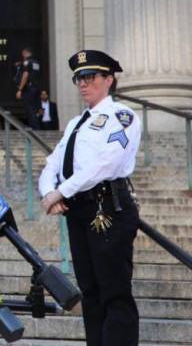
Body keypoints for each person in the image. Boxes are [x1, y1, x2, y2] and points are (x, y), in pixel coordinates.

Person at [38, 50, 141, 346]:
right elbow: (52, 164)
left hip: (108, 205)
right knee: (90, 292)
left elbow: (105, 164)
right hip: (79, 210)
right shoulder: (75, 123)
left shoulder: (122, 117)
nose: (82, 84)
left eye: (89, 77)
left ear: (109, 79)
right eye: (78, 78)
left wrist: (62, 190)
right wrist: (48, 192)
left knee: (114, 291)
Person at [14, 47, 42, 129]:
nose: (22, 56)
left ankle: (34, 129)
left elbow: (25, 75)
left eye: (23, 54)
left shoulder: (26, 62)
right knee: (35, 109)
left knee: (30, 109)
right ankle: (37, 127)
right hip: (36, 88)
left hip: (28, 89)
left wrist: (20, 89)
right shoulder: (36, 63)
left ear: (25, 53)